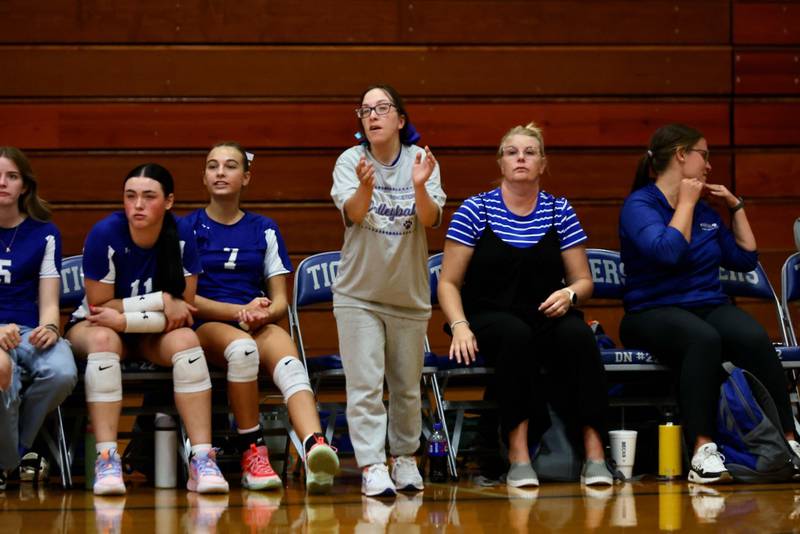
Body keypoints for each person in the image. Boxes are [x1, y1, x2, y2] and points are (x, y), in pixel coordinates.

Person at [618, 123, 800, 484]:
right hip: (650, 311)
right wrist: (684, 202)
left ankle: (788, 441)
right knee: (703, 339)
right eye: (704, 155)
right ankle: (703, 450)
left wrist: (736, 207)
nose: (709, 165)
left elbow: (746, 258)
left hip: (705, 305)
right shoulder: (640, 205)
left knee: (752, 337)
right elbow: (668, 252)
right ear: (682, 155)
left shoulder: (706, 213)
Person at [437, 122, 614, 488]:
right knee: (516, 337)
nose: (521, 158)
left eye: (530, 152)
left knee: (580, 337)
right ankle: (519, 457)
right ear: (500, 163)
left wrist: (569, 295)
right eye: (512, 152)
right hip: (487, 317)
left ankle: (595, 455)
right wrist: (459, 325)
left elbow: (584, 281)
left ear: (543, 164)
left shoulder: (559, 210)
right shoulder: (474, 210)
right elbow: (449, 283)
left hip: (547, 313)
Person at [183, 141, 339, 494]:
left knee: (289, 359)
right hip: (209, 324)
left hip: (255, 320)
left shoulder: (263, 228)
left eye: (230, 166)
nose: (220, 172)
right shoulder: (187, 228)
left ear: (246, 177)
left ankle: (315, 447)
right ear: (205, 178)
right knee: (242, 349)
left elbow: (281, 300)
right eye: (212, 166)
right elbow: (185, 299)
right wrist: (239, 313)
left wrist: (262, 313)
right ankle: (253, 452)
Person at [66, 163, 228, 495]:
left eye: (148, 197)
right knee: (102, 339)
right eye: (130, 196)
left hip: (152, 331)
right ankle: (107, 458)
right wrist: (160, 299)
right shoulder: (105, 233)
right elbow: (100, 308)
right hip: (96, 325)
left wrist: (129, 318)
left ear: (168, 201)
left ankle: (201, 459)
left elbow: (183, 311)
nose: (137, 205)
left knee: (186, 340)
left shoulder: (181, 233)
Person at [331, 84, 446, 497]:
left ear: (400, 119)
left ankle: (404, 459)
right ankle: (372, 465)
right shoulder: (350, 161)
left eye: (382, 108)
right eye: (365, 109)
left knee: (406, 387)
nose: (373, 115)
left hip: (409, 296)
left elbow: (432, 219)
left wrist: (418, 185)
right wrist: (365, 186)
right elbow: (356, 213)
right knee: (364, 385)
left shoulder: (421, 161)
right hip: (357, 295)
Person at [0, 147, 77, 490]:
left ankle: (12, 453)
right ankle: (10, 462)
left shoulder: (45, 234)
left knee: (63, 371)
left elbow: (49, 301)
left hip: (28, 330)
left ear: (25, 187)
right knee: (5, 374)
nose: (2, 183)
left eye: (11, 176)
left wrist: (50, 327)